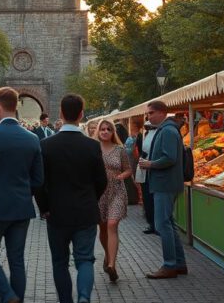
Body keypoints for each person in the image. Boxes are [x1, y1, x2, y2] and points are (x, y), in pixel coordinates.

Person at [0, 87, 44, 303]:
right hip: (21, 207)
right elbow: (39, 179)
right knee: (17, 260)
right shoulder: (32, 138)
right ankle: (15, 299)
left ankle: (7, 294)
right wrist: (23, 193)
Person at [34, 95, 107, 303]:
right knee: (85, 260)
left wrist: (44, 208)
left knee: (60, 262)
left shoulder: (46, 145)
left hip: (56, 213)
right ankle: (84, 297)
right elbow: (101, 181)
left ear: (61, 114)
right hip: (85, 212)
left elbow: (38, 182)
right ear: (81, 114)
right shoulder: (92, 146)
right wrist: (91, 199)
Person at [138, 101, 187, 279]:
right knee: (168, 223)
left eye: (151, 113)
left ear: (161, 112)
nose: (148, 116)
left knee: (161, 225)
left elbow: (169, 158)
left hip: (165, 184)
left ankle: (170, 265)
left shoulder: (167, 130)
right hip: (165, 183)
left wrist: (150, 164)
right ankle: (179, 263)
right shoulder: (166, 129)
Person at [96, 119, 130, 282]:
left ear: (112, 132)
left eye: (108, 129)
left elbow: (129, 169)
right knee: (102, 228)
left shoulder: (120, 150)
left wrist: (121, 176)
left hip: (116, 191)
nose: (105, 131)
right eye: (102, 129)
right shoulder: (93, 149)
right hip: (99, 192)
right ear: (98, 131)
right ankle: (108, 255)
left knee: (112, 224)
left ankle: (112, 265)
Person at [134, 119, 158, 235]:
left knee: (152, 199)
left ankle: (155, 224)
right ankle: (151, 223)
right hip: (145, 169)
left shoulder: (158, 135)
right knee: (148, 199)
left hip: (152, 170)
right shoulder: (146, 136)